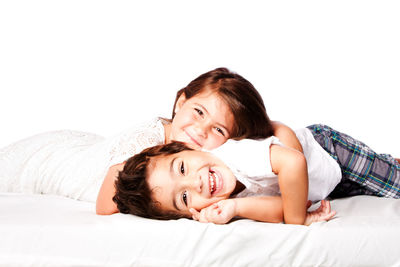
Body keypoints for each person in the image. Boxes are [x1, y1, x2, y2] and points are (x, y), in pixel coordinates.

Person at [0, 68, 302, 214]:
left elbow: (287, 160)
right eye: (198, 112)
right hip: (55, 160)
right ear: (179, 102)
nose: (201, 130)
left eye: (219, 130)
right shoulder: (150, 145)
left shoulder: (204, 166)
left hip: (87, 144)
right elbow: (106, 205)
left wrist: (271, 127)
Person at [112, 125, 400, 225]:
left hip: (328, 152)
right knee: (380, 177)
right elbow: (280, 207)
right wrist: (236, 207)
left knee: (393, 183)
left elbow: (293, 162)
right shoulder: (221, 200)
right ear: (189, 214)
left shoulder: (235, 156)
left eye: (182, 168)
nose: (195, 183)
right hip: (324, 185)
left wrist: (299, 220)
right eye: (184, 197)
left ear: (185, 148)